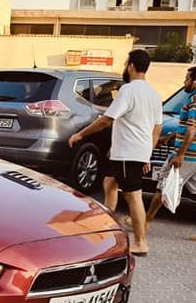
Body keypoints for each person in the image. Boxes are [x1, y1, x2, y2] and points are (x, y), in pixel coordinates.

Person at [69, 49, 162, 256]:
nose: (124, 67)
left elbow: (106, 120)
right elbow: (157, 129)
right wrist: (147, 154)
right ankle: (107, 230)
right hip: (130, 151)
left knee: (133, 196)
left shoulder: (128, 91)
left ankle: (140, 242)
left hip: (127, 152)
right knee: (109, 184)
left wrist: (80, 134)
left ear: (130, 66)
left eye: (125, 63)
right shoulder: (154, 94)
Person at [144, 65, 196, 243]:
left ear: (195, 81)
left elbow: (192, 129)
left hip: (188, 154)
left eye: (187, 78)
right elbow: (190, 126)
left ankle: (144, 222)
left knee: (163, 184)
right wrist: (169, 137)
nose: (184, 82)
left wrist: (179, 154)